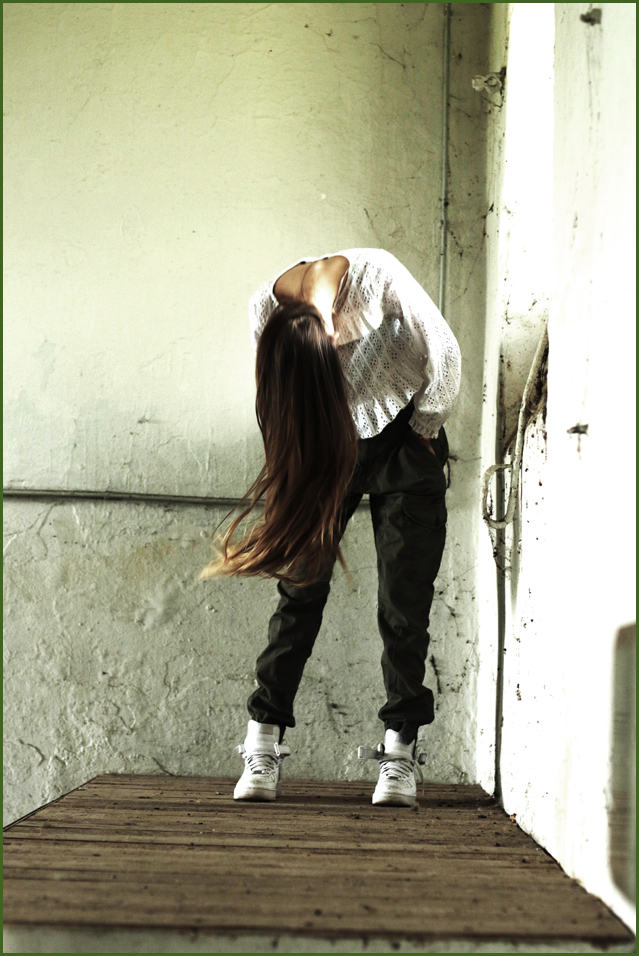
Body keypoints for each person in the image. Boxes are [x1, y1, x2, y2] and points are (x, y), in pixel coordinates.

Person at [201, 248, 461, 807]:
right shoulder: (264, 311)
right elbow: (279, 396)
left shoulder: (378, 277)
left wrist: (425, 425)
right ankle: (262, 745)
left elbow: (444, 351)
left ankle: (400, 754)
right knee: (299, 588)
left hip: (405, 436)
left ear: (333, 327)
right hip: (324, 440)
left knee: (404, 603)